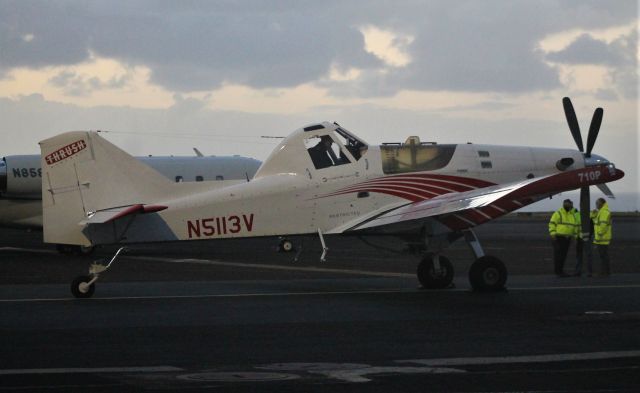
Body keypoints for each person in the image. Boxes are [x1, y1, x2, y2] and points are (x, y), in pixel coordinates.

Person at [549, 199, 579, 277]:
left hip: (567, 238)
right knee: (558, 255)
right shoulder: (558, 213)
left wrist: (575, 237)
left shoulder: (572, 215)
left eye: (569, 204)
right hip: (558, 238)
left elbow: (574, 227)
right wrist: (553, 234)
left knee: (563, 255)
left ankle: (560, 271)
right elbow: (552, 224)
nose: (568, 206)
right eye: (567, 204)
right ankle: (558, 272)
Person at [593, 198, 612, 277]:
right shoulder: (602, 211)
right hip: (602, 238)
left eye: (597, 203)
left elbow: (603, 225)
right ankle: (606, 272)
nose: (596, 205)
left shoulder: (604, 212)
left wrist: (599, 234)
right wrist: (594, 216)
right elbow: (598, 223)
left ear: (601, 203)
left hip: (602, 239)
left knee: (603, 257)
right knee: (604, 256)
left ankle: (604, 273)